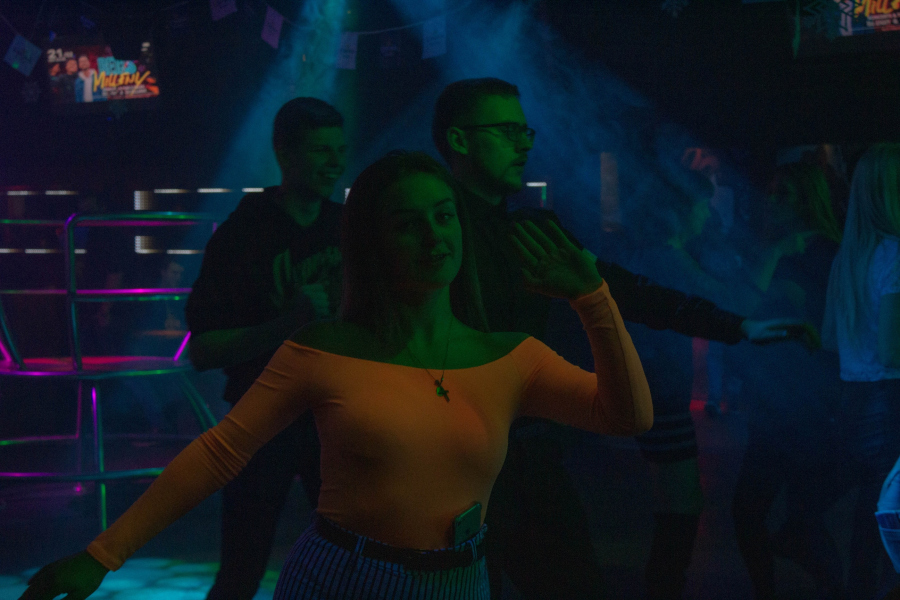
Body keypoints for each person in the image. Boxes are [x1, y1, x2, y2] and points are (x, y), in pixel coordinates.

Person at [17, 151, 653, 600]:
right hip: (343, 578)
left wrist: (592, 298)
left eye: (444, 216)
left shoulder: (511, 355)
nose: (434, 236)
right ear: (373, 244)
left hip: (462, 579)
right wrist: (101, 555)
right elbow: (221, 451)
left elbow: (628, 417)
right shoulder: (324, 350)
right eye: (408, 223)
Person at [430, 77, 817, 600]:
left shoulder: (531, 229)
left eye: (526, 131)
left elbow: (627, 290)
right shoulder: (435, 231)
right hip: (452, 455)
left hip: (526, 455)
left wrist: (738, 327)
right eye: (507, 131)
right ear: (459, 139)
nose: (523, 143)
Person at [186, 97, 346, 600]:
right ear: (283, 152)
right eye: (321, 150)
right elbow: (203, 350)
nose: (336, 162)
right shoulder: (243, 234)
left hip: (335, 415)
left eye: (340, 149)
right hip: (264, 417)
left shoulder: (350, 227)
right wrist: (286, 325)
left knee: (355, 565)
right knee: (242, 570)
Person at [728, 162, 845, 599]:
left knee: (791, 517)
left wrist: (803, 304)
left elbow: (835, 327)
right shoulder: (770, 248)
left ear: (808, 200)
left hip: (808, 403)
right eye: (772, 192)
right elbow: (738, 312)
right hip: (773, 400)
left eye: (785, 195)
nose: (773, 202)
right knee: (762, 514)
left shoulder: (829, 254)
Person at [823, 143, 900, 599]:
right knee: (886, 522)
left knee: (871, 519)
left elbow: (831, 339)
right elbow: (892, 353)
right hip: (889, 401)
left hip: (854, 399)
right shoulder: (895, 254)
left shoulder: (849, 255)